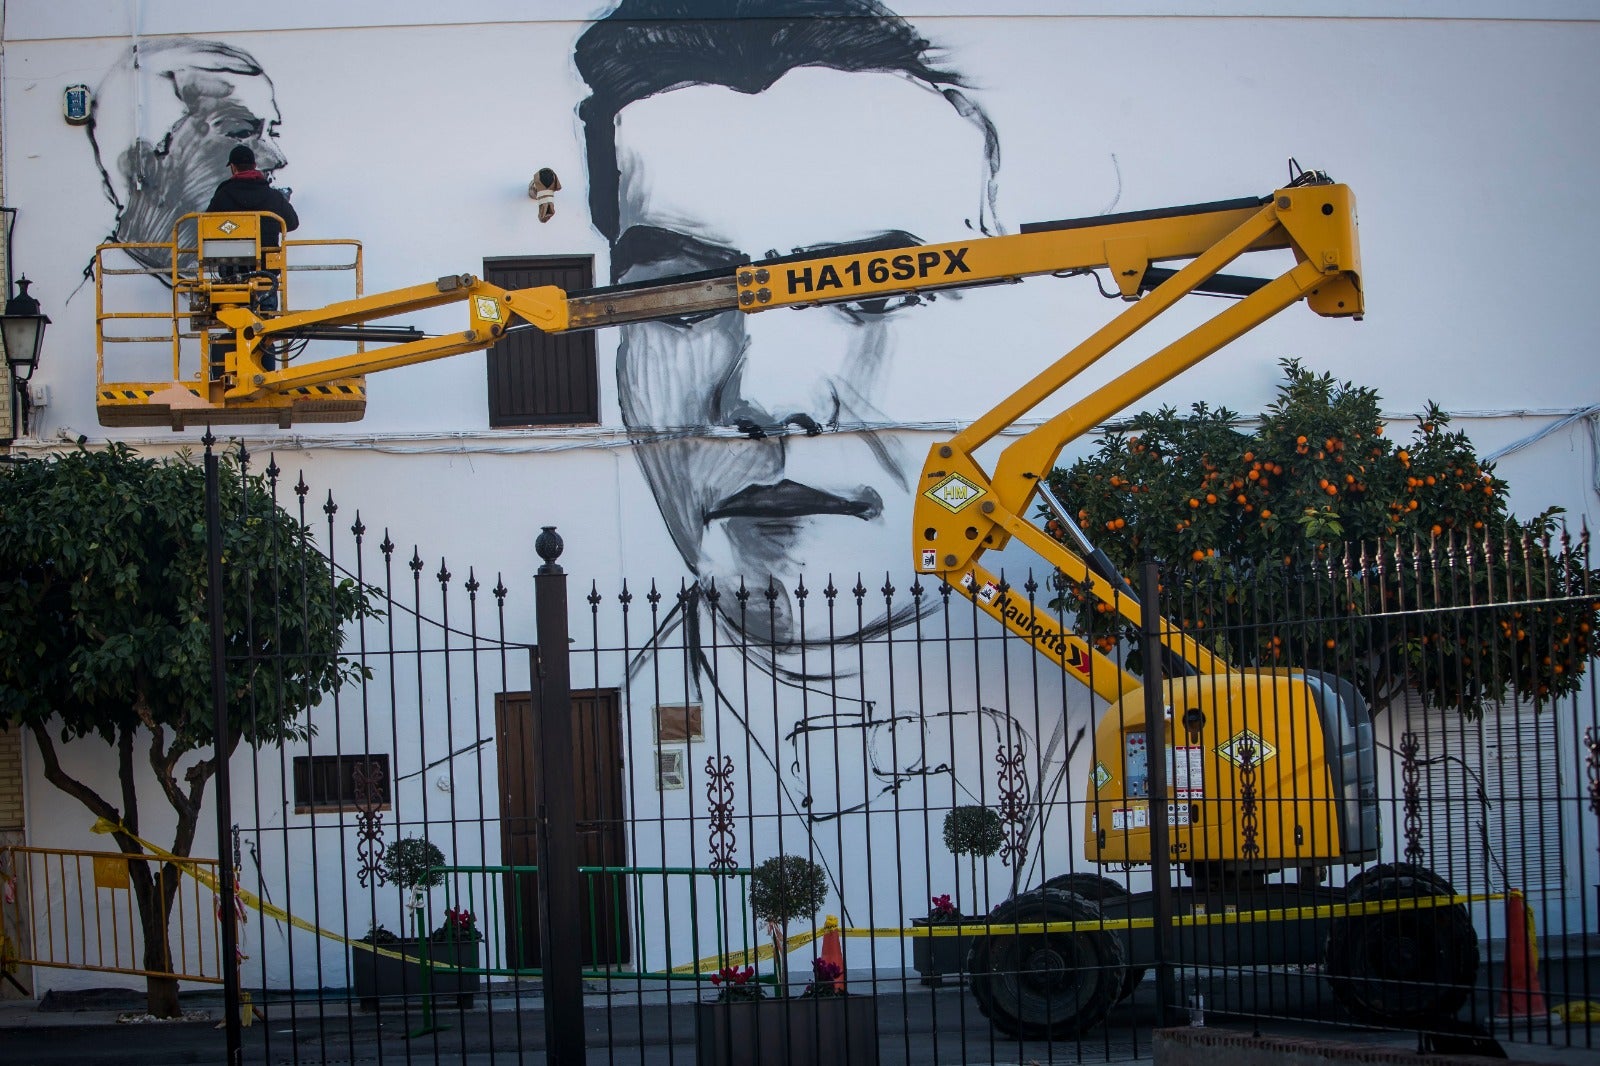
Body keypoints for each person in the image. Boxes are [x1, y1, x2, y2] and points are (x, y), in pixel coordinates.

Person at [571, 2, 1070, 904]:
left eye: (873, 292)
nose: (773, 397)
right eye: (680, 299)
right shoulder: (620, 732)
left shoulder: (1117, 701)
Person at [86, 38, 289, 283]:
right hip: (263, 281)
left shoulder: (225, 195)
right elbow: (291, 222)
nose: (277, 158)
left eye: (272, 133)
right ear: (144, 164)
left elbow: (215, 225)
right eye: (241, 132)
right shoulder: (268, 197)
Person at [206, 144, 299, 314]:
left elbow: (207, 228)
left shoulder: (223, 195)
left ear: (233, 168)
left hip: (232, 274)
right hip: (265, 274)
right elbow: (292, 223)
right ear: (254, 166)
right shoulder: (272, 196)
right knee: (266, 323)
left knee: (235, 322)